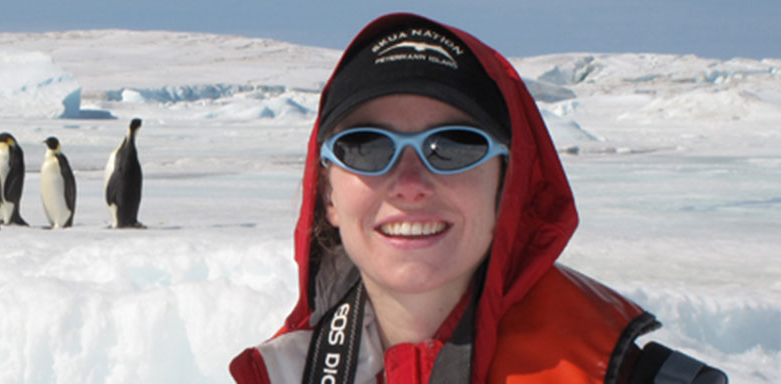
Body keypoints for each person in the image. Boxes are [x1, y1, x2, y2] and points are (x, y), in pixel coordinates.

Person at [228, 13, 726, 383]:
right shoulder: (280, 375)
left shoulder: (631, 378)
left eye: (454, 145)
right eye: (366, 146)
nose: (409, 182)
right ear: (329, 194)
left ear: (509, 185)